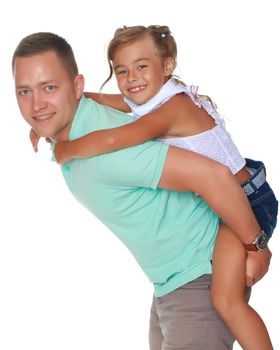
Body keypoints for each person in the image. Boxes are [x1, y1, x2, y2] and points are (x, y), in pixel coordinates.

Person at [13, 31, 272, 350]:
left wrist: (256, 245)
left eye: (49, 87)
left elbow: (215, 177)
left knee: (230, 304)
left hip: (209, 258)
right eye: (25, 91)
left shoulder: (117, 142)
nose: (36, 104)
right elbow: (102, 104)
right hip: (171, 283)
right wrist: (46, 125)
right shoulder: (128, 104)